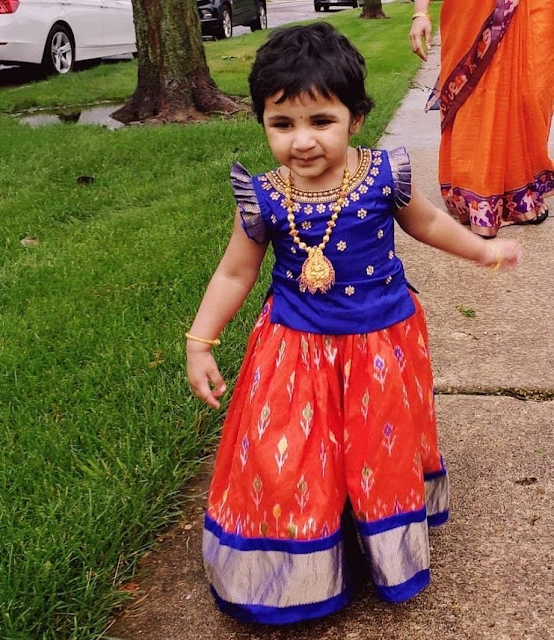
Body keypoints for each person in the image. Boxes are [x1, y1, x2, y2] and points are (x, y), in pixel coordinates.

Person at [186, 23, 521, 625]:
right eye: (281, 124)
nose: (302, 141)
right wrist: (199, 342)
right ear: (262, 122)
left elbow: (426, 225)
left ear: (357, 118)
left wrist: (480, 249)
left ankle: (370, 539)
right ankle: (297, 560)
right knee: (290, 453)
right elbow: (234, 275)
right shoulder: (263, 197)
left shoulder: (382, 176)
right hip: (294, 349)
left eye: (321, 121)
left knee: (374, 447)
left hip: (380, 342)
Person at [410, 0, 554, 238]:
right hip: (471, 13)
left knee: (532, 93)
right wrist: (420, 13)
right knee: (477, 100)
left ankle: (521, 191)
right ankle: (480, 198)